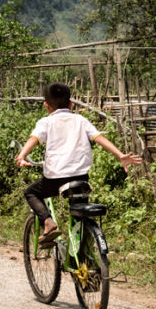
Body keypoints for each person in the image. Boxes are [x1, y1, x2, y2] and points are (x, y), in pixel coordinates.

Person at [15, 82, 141, 245]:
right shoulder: (81, 120)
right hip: (81, 178)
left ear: (46, 105)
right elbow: (99, 138)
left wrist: (22, 155)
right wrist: (120, 155)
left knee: (31, 192)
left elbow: (34, 139)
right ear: (70, 104)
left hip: (55, 179)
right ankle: (84, 254)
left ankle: (48, 222)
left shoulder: (46, 122)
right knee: (79, 215)